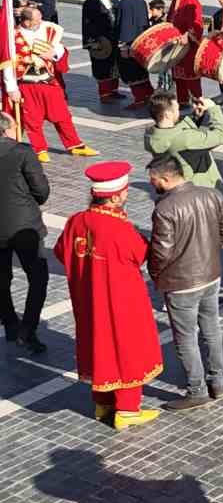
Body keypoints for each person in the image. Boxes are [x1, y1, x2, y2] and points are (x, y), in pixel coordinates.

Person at [54, 162, 164, 429]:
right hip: (121, 299)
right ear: (115, 196)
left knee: (97, 344)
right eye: (125, 192)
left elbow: (61, 251)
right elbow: (140, 255)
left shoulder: (76, 221)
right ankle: (127, 409)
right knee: (127, 348)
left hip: (88, 298)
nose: (126, 195)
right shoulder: (118, 228)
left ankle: (102, 402)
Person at [146, 151, 223, 414]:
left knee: (186, 337)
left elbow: (161, 253)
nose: (153, 185)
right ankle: (218, 383)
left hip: (181, 282)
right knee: (211, 329)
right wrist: (210, 250)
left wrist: (156, 276)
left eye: (154, 180)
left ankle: (196, 390)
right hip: (211, 275)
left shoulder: (164, 209)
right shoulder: (211, 194)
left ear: (165, 178)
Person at [10, 5, 97, 162]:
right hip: (27, 84)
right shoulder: (12, 37)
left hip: (48, 81)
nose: (41, 22)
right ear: (26, 21)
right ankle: (39, 149)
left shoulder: (47, 30)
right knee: (33, 120)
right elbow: (7, 64)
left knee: (62, 115)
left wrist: (54, 54)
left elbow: (60, 49)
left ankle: (75, 145)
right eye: (37, 20)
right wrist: (12, 88)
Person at [0, 114, 50, 354]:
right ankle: (28, 329)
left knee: (1, 279)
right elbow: (41, 190)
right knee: (38, 278)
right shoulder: (22, 153)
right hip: (24, 226)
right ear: (7, 130)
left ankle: (10, 323)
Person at [144, 92, 223, 191]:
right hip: (203, 190)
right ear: (167, 114)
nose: (179, 112)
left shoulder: (151, 135)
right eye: (177, 109)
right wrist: (213, 108)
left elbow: (174, 131)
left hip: (180, 190)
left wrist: (196, 117)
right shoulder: (184, 139)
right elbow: (220, 135)